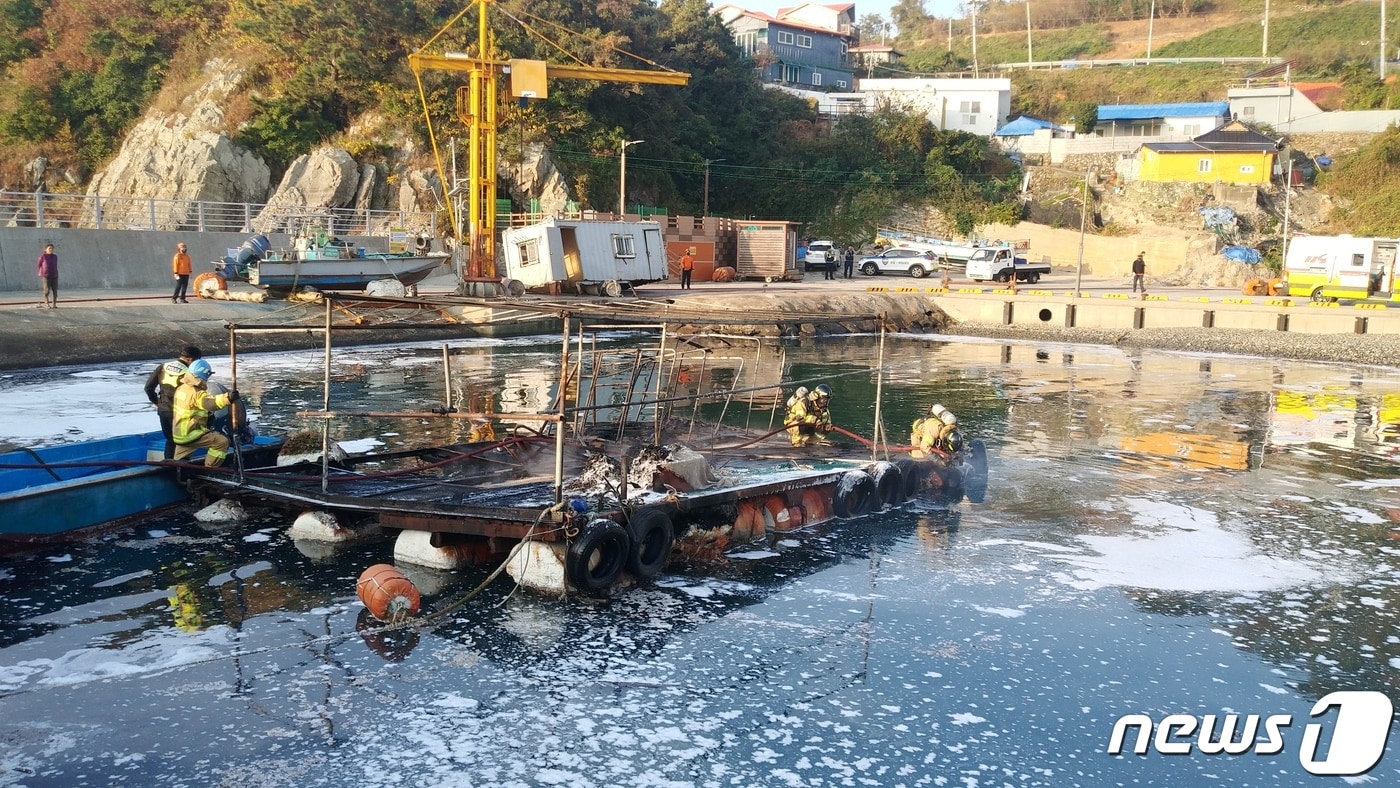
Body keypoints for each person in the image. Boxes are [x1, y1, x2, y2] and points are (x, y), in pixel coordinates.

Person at [172, 358, 238, 467]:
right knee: (221, 442)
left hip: (180, 434)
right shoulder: (196, 392)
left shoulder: (182, 388)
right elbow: (210, 403)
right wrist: (228, 398)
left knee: (178, 462)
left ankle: (176, 472)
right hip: (192, 433)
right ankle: (210, 469)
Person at [144, 345, 203, 460]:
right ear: (191, 360)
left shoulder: (163, 367)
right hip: (181, 413)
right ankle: (182, 469)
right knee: (184, 441)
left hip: (163, 411)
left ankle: (168, 467)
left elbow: (148, 388)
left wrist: (157, 403)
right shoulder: (189, 373)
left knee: (170, 440)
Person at [36, 243, 57, 308]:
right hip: (46, 276)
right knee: (46, 291)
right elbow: (38, 265)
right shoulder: (42, 256)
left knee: (55, 291)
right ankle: (46, 303)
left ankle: (54, 304)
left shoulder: (55, 257)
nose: (51, 249)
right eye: (49, 248)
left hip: (54, 275)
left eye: (52, 248)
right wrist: (42, 271)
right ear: (45, 249)